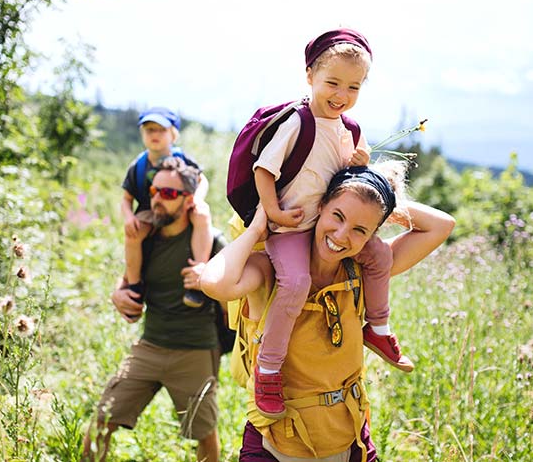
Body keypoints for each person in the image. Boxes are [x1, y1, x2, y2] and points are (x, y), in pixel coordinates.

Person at [201, 164, 455, 461]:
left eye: (360, 229)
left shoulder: (363, 272)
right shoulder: (270, 269)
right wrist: (258, 228)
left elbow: (442, 225)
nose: (342, 234)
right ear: (319, 206)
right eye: (338, 216)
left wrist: (377, 195)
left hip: (350, 442)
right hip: (274, 445)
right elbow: (215, 283)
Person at [249, 28, 411, 419]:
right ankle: (268, 369)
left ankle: (378, 327)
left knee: (378, 257)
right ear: (310, 76)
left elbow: (346, 179)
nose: (342, 95)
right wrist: (272, 212)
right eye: (332, 83)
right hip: (290, 227)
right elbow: (264, 169)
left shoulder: (349, 129)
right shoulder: (297, 122)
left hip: (325, 224)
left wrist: (358, 162)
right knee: (296, 282)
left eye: (353, 87)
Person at [83, 158, 226, 462]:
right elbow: (126, 283)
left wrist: (209, 283)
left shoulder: (211, 242)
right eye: (154, 191)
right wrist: (117, 296)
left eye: (169, 194)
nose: (157, 199)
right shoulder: (146, 238)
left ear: (189, 201)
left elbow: (234, 295)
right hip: (150, 346)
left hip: (196, 350)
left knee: (204, 432)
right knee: (101, 420)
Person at [121, 106, 212, 308]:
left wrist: (197, 199)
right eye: (149, 130)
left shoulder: (183, 159)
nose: (155, 135)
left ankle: (198, 274)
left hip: (181, 206)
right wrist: (129, 217)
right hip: (150, 210)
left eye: (161, 130)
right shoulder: (138, 165)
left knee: (202, 215)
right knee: (133, 235)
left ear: (173, 134)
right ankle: (134, 285)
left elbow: (201, 180)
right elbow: (126, 198)